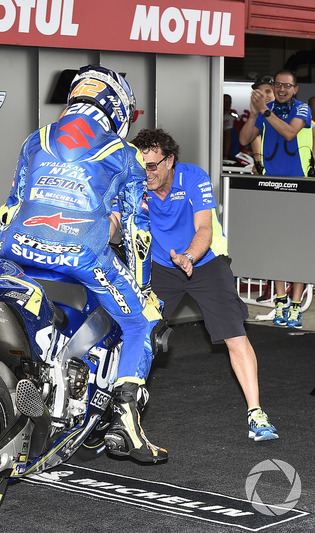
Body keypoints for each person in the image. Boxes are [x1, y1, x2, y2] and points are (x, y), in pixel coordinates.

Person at [0, 65, 167, 463]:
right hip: (83, 258)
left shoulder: (36, 139)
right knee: (142, 320)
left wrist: (15, 245)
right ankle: (127, 418)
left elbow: (10, 208)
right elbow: (139, 235)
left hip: (14, 245)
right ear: (117, 107)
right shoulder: (127, 154)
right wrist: (143, 289)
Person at [130, 128, 279, 442]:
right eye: (143, 166)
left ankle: (256, 414)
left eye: (154, 165)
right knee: (139, 335)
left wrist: (188, 256)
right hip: (159, 266)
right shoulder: (135, 181)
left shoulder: (193, 177)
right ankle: (123, 413)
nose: (148, 173)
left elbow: (204, 227)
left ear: (170, 161)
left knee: (234, 335)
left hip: (205, 261)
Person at [239, 70, 314, 329]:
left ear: (295, 89)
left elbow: (290, 133)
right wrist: (255, 112)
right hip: (271, 186)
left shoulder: (302, 109)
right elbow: (244, 139)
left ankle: (296, 305)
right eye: (277, 85)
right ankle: (280, 301)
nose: (281, 89)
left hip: (299, 187)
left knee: (298, 247)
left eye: (286, 85)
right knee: (275, 245)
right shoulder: (265, 109)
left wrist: (266, 112)